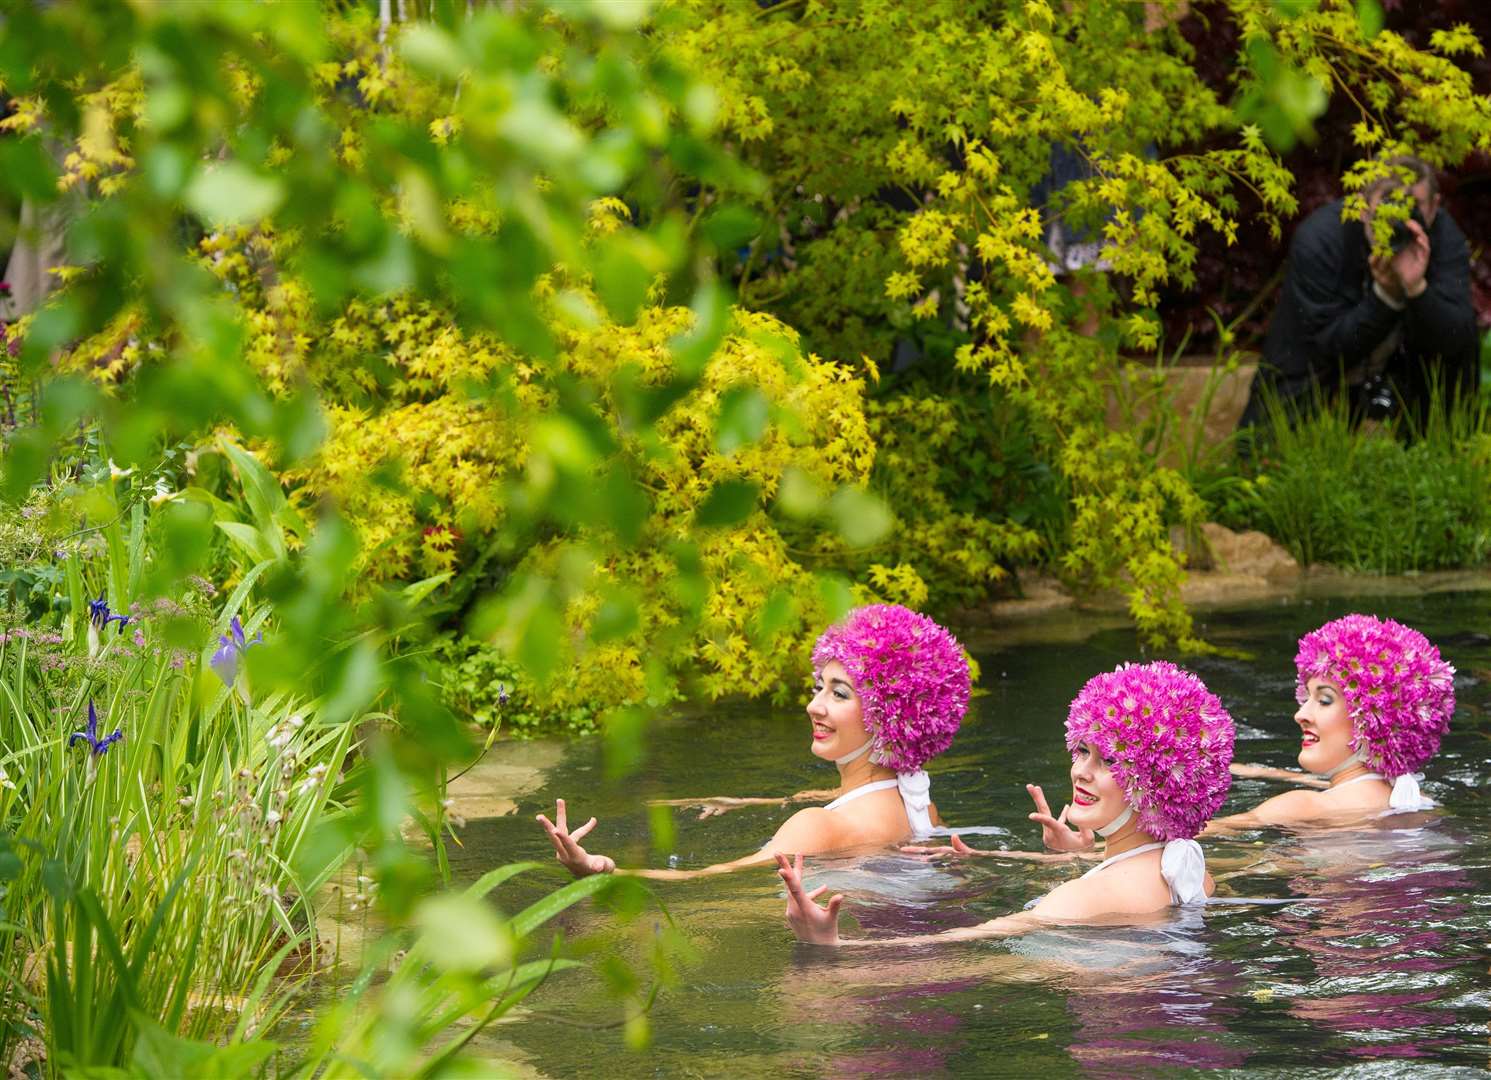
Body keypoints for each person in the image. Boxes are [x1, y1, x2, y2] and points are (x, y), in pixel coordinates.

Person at [779, 661, 1236, 946]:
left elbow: (966, 955)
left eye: (1109, 759)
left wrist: (832, 944)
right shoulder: (1195, 875)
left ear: (1157, 779)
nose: (1080, 771)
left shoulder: (1078, 900)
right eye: (1082, 750)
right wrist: (1067, 859)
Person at [536, 603, 970, 880]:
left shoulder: (817, 826)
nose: (813, 707)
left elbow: (705, 881)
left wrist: (598, 869)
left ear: (890, 717)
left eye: (839, 694)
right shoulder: (919, 806)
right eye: (818, 687)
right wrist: (745, 802)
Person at [1237, 155, 1479, 435]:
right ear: (1363, 207)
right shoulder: (1322, 239)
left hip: (1401, 376)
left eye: (1411, 205)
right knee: (1267, 448)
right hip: (1319, 375)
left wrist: (1416, 289)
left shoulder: (1445, 238)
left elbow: (1458, 339)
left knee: (1454, 351)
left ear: (1434, 208)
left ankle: (1442, 454)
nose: (1397, 219)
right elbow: (1324, 348)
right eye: (1388, 203)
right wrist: (1385, 297)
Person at [1211, 613, 1453, 831]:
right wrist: (1264, 772)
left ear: (1371, 721)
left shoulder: (1302, 807)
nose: (1300, 715)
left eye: (1325, 700)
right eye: (1307, 697)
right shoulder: (1418, 801)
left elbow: (1193, 841)